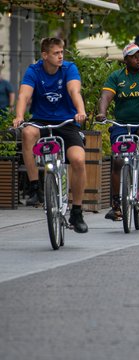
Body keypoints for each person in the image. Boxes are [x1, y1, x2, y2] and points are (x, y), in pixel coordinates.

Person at [12, 37, 88, 233]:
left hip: (68, 122)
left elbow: (74, 90)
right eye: (56, 53)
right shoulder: (34, 70)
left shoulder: (69, 68)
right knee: (28, 133)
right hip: (42, 121)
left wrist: (80, 111)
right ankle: (35, 187)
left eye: (62, 52)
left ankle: (77, 211)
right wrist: (19, 116)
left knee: (78, 160)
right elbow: (24, 95)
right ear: (45, 55)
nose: (61, 56)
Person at [96, 43, 139, 221]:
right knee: (118, 160)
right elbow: (106, 96)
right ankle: (116, 205)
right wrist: (102, 112)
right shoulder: (116, 77)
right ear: (125, 59)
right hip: (122, 124)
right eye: (134, 56)